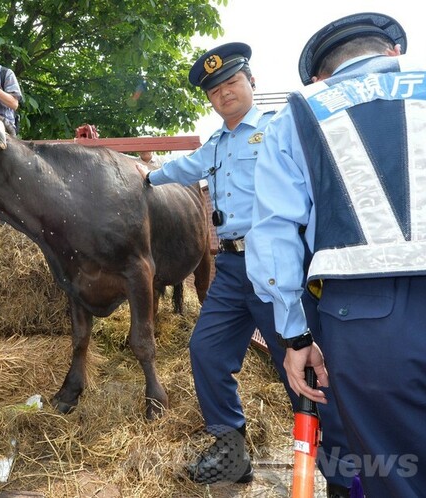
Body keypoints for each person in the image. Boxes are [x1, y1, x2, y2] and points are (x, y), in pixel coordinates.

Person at [143, 42, 354, 495]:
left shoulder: (282, 130)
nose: (225, 94)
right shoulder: (215, 145)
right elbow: (179, 169)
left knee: (301, 369)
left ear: (252, 83)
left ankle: (343, 472)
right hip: (231, 268)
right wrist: (140, 175)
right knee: (206, 351)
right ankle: (231, 452)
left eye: (233, 82)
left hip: (279, 269)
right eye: (215, 91)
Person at [246, 12, 426, 497]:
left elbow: (274, 238)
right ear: (394, 53)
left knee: (400, 476)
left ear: (319, 78)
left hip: (372, 324)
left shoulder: (298, 114)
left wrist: (296, 335)